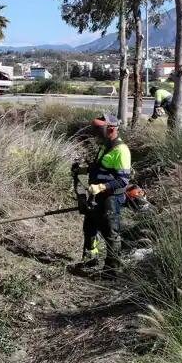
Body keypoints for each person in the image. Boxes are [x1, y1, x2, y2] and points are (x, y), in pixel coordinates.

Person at [73, 113, 132, 274]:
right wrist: (82, 170)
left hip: (110, 198)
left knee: (111, 233)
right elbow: (100, 167)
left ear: (111, 129)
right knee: (90, 228)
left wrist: (101, 187)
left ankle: (112, 270)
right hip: (97, 197)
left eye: (100, 129)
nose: (97, 132)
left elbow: (122, 181)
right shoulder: (105, 146)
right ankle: (90, 260)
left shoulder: (121, 150)